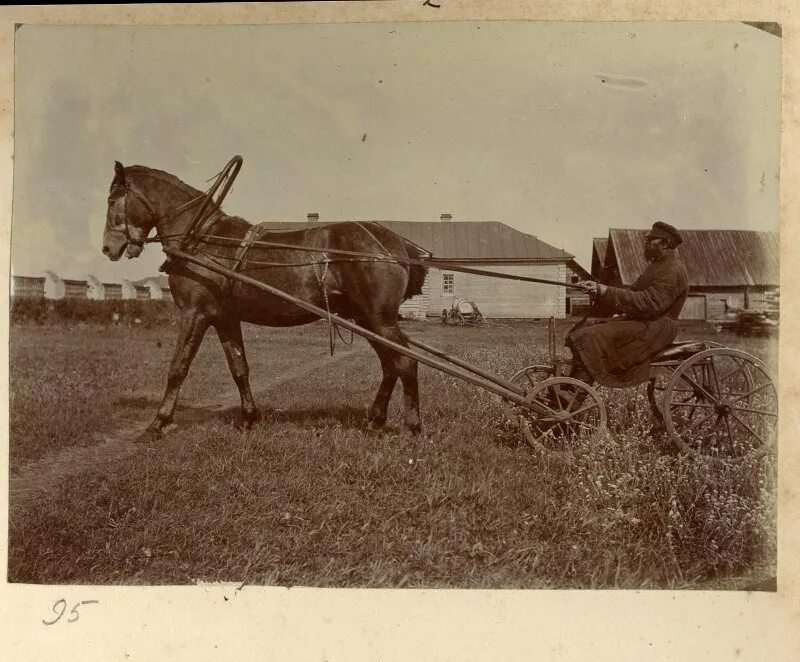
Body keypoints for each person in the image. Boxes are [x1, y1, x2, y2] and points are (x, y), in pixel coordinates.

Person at [567, 221, 689, 389]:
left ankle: (572, 396)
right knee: (584, 330)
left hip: (656, 328)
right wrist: (598, 291)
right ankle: (568, 389)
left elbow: (650, 303)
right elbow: (633, 293)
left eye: (651, 240)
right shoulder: (657, 266)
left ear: (666, 243)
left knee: (591, 336)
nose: (646, 243)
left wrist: (605, 291)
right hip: (647, 323)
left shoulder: (672, 269)